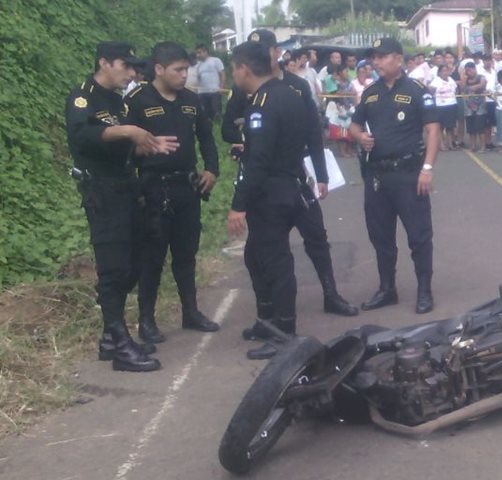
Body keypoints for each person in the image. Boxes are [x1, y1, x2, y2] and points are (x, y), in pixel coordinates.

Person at [222, 31, 358, 350]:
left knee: (276, 262)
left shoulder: (263, 103)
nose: (233, 75)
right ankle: (268, 321)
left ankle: (284, 333)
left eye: (233, 69)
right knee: (257, 257)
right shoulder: (289, 93)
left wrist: (238, 204)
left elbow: (260, 159)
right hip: (294, 184)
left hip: (273, 192)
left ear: (243, 68)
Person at [65, 41, 180, 372]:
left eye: (134, 67)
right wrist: (126, 130)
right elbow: (82, 137)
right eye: (125, 66)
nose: (131, 73)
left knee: (135, 262)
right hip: (102, 191)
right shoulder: (82, 97)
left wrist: (145, 147)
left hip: (126, 187)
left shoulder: (117, 101)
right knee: (114, 267)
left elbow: (121, 148)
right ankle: (120, 346)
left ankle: (109, 339)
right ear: (104, 62)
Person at [124, 42, 220, 344]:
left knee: (186, 254)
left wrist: (212, 170)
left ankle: (190, 312)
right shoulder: (138, 100)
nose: (183, 75)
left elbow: (207, 139)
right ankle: (146, 320)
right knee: (152, 256)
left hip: (187, 186)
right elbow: (124, 148)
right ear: (159, 69)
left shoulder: (191, 100)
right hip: (154, 187)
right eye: (178, 70)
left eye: (186, 69)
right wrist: (140, 150)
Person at [350, 37, 441, 314]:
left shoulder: (416, 90)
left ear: (398, 59)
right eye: (374, 57)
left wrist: (427, 168)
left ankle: (424, 290)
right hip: (377, 177)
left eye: (382, 56)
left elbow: (434, 130)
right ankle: (387, 288)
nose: (376, 62)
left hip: (408, 175)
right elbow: (353, 125)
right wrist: (360, 136)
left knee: (419, 235)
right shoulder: (371, 92)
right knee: (381, 236)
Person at [429, 64, 458, 151]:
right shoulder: (436, 81)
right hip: (440, 106)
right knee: (441, 127)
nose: (445, 73)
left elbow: (455, 90)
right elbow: (431, 91)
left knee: (450, 126)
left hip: (451, 104)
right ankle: (441, 145)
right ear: (439, 73)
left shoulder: (451, 80)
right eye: (443, 71)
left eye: (446, 70)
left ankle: (450, 144)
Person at [461, 62, 488, 152]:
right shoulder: (466, 79)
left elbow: (482, 85)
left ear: (474, 69)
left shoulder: (481, 77)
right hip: (469, 106)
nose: (469, 72)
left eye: (470, 69)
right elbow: (462, 89)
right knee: (471, 128)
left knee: (480, 128)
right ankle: (472, 146)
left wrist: (470, 88)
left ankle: (483, 146)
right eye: (467, 70)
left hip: (480, 105)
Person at [194, 44, 225, 119]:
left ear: (206, 52)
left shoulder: (215, 60)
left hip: (214, 90)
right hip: (202, 92)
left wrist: (221, 87)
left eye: (199, 52)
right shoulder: (198, 64)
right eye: (197, 53)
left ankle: (218, 124)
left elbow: (222, 74)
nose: (198, 55)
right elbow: (197, 78)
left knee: (216, 110)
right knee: (205, 112)